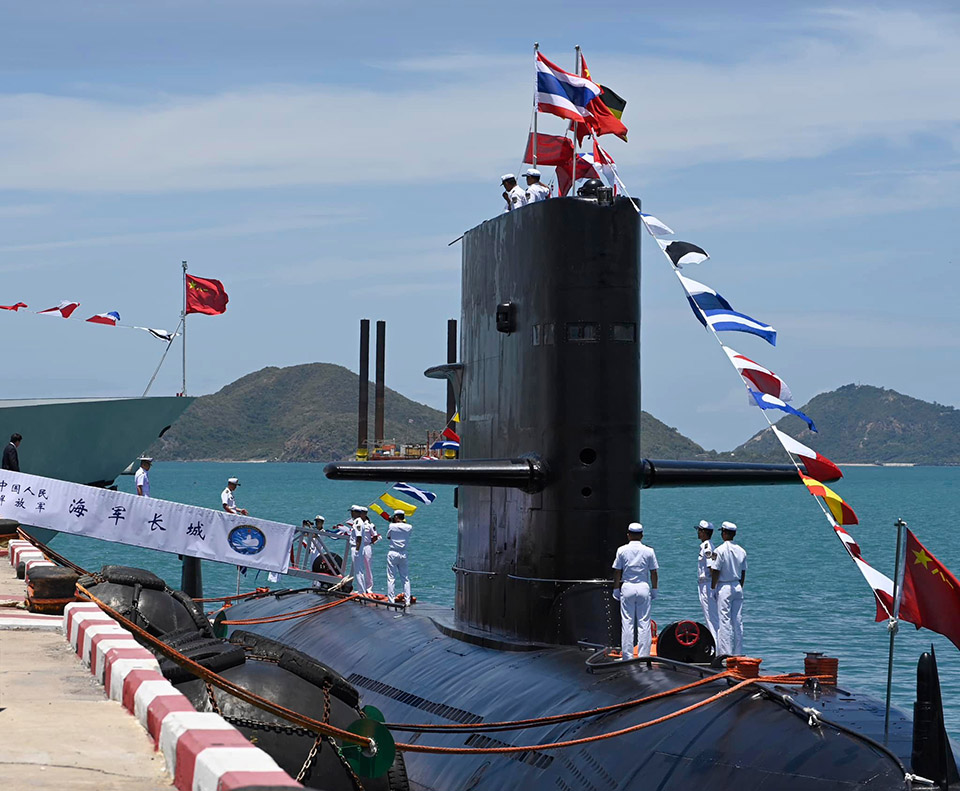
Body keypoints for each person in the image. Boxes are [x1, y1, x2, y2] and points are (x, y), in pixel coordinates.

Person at [612, 522, 659, 659]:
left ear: (628, 535)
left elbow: (617, 571)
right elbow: (653, 572)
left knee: (627, 623)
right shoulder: (649, 551)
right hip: (643, 587)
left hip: (627, 587)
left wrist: (616, 588)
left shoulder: (621, 550)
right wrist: (655, 589)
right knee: (644, 623)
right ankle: (644, 655)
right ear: (642, 535)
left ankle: (627, 656)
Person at [709, 521, 748, 657]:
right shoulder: (742, 551)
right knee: (738, 621)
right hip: (737, 585)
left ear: (724, 533)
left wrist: (713, 587)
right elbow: (743, 572)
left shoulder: (719, 550)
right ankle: (738, 653)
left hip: (724, 586)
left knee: (724, 621)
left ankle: (726, 654)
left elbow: (715, 571)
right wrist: (740, 586)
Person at [695, 520, 719, 641]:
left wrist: (713, 588)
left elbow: (712, 568)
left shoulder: (707, 547)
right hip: (705, 584)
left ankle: (716, 644)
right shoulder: (706, 546)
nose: (698, 533)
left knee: (711, 617)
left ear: (704, 532)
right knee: (709, 616)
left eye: (699, 530)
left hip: (707, 585)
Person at [386, 509, 413, 604]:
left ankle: (391, 600)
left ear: (396, 517)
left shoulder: (392, 526)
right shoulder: (409, 527)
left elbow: (388, 536)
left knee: (391, 578)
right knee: (405, 578)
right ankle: (407, 600)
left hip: (393, 552)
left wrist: (393, 522)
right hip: (403, 553)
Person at [356, 507, 380, 594]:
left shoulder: (370, 525)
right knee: (359, 568)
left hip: (366, 546)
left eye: (362, 513)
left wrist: (370, 542)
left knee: (368, 567)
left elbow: (375, 536)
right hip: (359, 546)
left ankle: (369, 587)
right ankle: (360, 587)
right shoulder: (357, 523)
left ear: (365, 514)